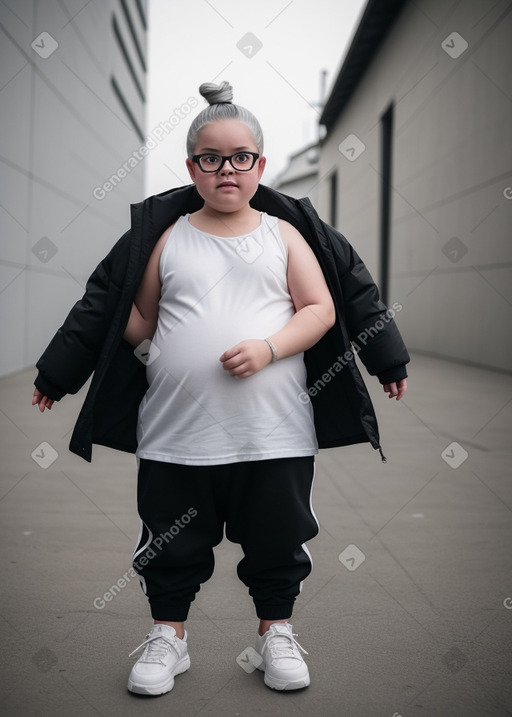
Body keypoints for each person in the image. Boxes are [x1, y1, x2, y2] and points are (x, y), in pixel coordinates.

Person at [32, 81, 409, 696]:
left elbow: (324, 307)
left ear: (261, 164)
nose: (226, 169)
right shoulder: (167, 237)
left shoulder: (285, 235)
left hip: (274, 431)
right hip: (177, 434)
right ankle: (168, 637)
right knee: (170, 541)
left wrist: (271, 348)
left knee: (277, 538)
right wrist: (62, 372)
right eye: (211, 158)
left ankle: (275, 633)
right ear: (192, 167)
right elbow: (130, 314)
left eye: (240, 157)